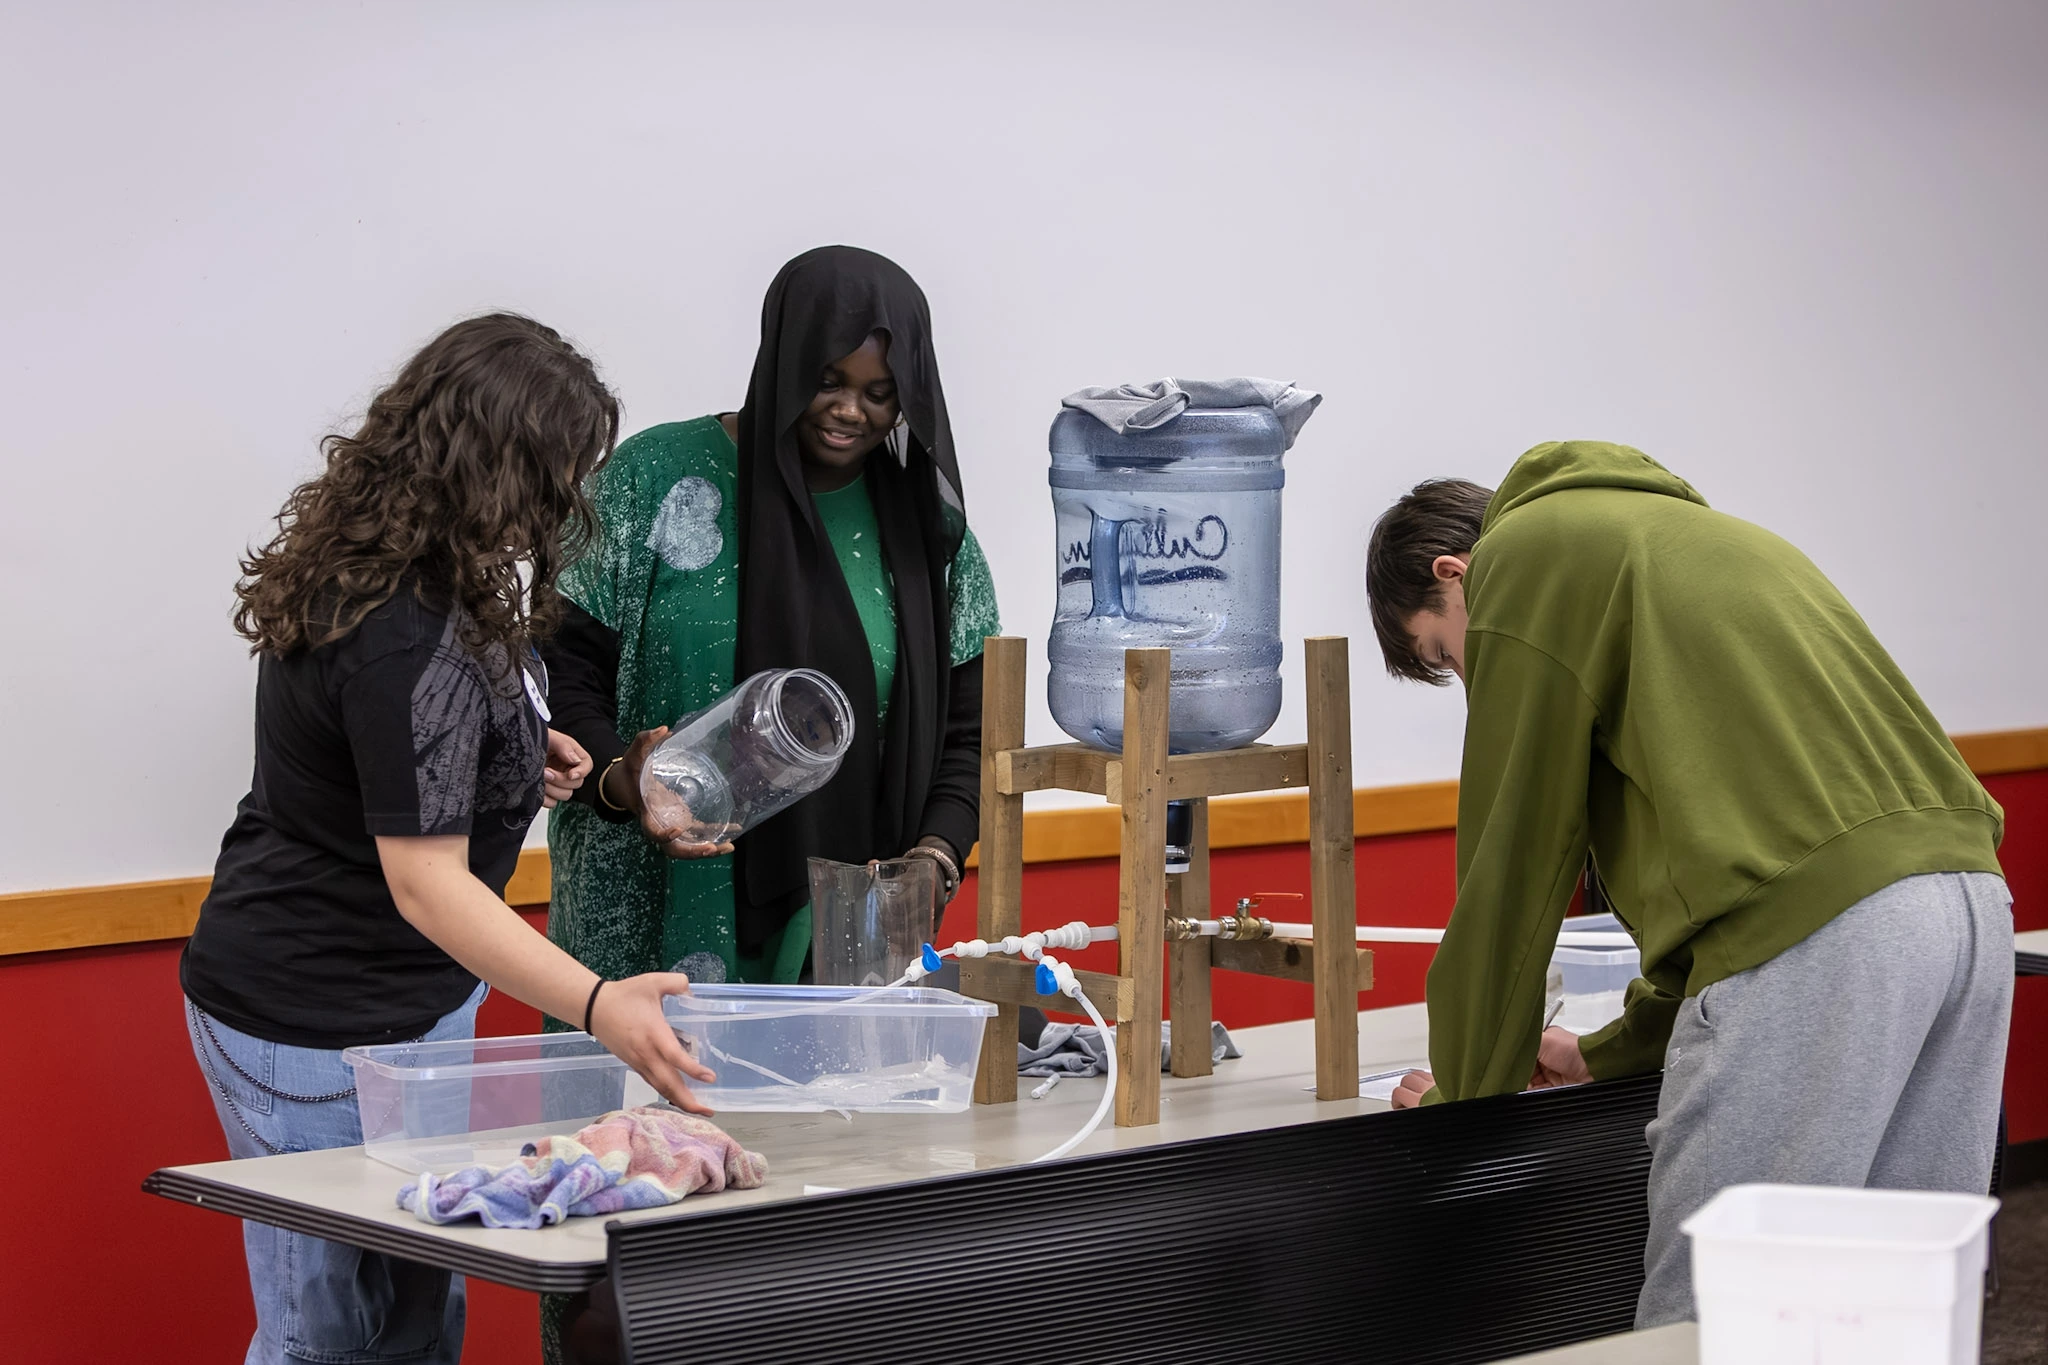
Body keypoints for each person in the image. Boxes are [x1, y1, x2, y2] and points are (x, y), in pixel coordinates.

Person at [1363, 440, 2011, 1326]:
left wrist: (1464, 1093)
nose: (1470, 678)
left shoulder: (1521, 563)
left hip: (1827, 944)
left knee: (1714, 1320)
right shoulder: (1692, 539)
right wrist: (1604, 1051)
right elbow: (1743, 880)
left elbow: (1509, 870)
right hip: (1969, 906)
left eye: (1445, 653)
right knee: (1894, 1316)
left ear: (1456, 573)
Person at [180, 314, 717, 1365]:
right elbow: (426, 883)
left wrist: (524, 755)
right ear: (499, 467)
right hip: (309, 1020)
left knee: (420, 1320)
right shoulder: (396, 626)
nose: (569, 502)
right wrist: (601, 1005)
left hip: (407, 1007)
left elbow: (407, 749)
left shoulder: (424, 569)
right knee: (326, 1337)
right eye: (560, 475)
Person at [542, 245, 998, 988]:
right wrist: (627, 783)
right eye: (828, 380)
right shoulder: (653, 479)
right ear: (784, 357)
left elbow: (970, 733)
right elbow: (558, 663)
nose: (853, 410)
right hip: (648, 916)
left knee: (819, 1104)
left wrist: (937, 854)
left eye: (881, 393)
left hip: (844, 940)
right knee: (638, 1111)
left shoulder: (927, 536)